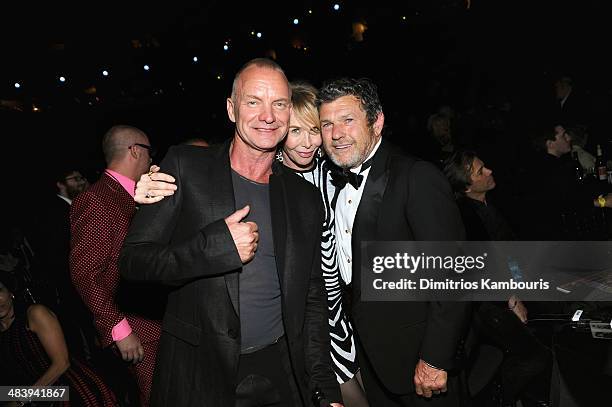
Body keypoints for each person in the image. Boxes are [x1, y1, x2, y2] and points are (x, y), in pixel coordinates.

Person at [119, 58, 342, 407]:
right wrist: (214, 248)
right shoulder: (186, 166)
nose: (268, 115)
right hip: (198, 374)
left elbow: (311, 298)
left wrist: (322, 388)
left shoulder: (303, 198)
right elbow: (133, 262)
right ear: (231, 109)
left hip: (280, 373)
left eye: (279, 104)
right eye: (254, 101)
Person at [317, 77, 468, 406]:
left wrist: (435, 358)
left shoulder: (416, 176)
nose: (336, 134)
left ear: (377, 121)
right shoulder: (328, 181)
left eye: (347, 120)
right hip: (368, 360)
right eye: (326, 124)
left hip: (419, 365)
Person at [443, 149, 552, 406]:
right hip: (488, 302)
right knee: (535, 357)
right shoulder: (467, 218)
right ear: (468, 187)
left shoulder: (491, 202)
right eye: (481, 172)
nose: (490, 171)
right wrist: (511, 300)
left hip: (509, 286)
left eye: (485, 166)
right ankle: (500, 399)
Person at [70, 125, 162, 407]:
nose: (150, 159)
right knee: (156, 398)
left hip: (153, 322)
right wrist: (118, 329)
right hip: (135, 328)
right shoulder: (97, 199)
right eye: (148, 152)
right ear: (135, 150)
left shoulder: (129, 195)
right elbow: (85, 273)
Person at [0, 279, 117, 406]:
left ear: (10, 292)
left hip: (71, 389)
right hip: (44, 397)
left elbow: (62, 363)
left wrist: (20, 399)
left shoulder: (34, 314)